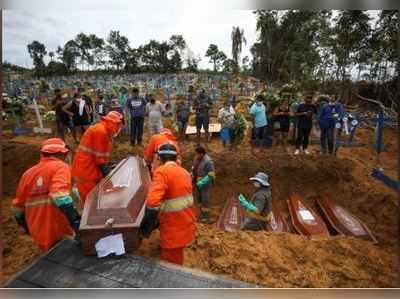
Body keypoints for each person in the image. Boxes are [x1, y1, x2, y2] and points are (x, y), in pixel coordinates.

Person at [11, 138, 81, 251]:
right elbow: (59, 196)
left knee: (51, 262)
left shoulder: (27, 174)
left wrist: (27, 227)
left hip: (38, 232)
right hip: (58, 227)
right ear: (62, 153)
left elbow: (17, 208)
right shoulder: (61, 167)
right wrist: (76, 221)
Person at [140, 143, 196, 265]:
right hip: (186, 223)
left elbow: (152, 202)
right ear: (176, 158)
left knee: (171, 266)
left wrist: (146, 227)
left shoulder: (162, 172)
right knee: (176, 256)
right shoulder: (185, 173)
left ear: (159, 158)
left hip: (173, 228)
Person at [71, 111, 123, 205]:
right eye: (119, 126)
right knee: (91, 203)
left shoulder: (103, 131)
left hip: (89, 169)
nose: (119, 129)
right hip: (86, 172)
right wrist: (110, 179)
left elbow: (102, 156)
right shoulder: (100, 132)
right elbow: (100, 160)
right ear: (114, 123)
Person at [192, 146, 215, 222]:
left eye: (197, 154)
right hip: (198, 183)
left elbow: (211, 174)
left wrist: (203, 181)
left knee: (205, 199)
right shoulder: (196, 159)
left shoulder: (208, 161)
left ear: (202, 154)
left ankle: (206, 217)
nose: (196, 156)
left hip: (206, 184)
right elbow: (193, 169)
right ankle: (202, 215)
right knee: (199, 199)